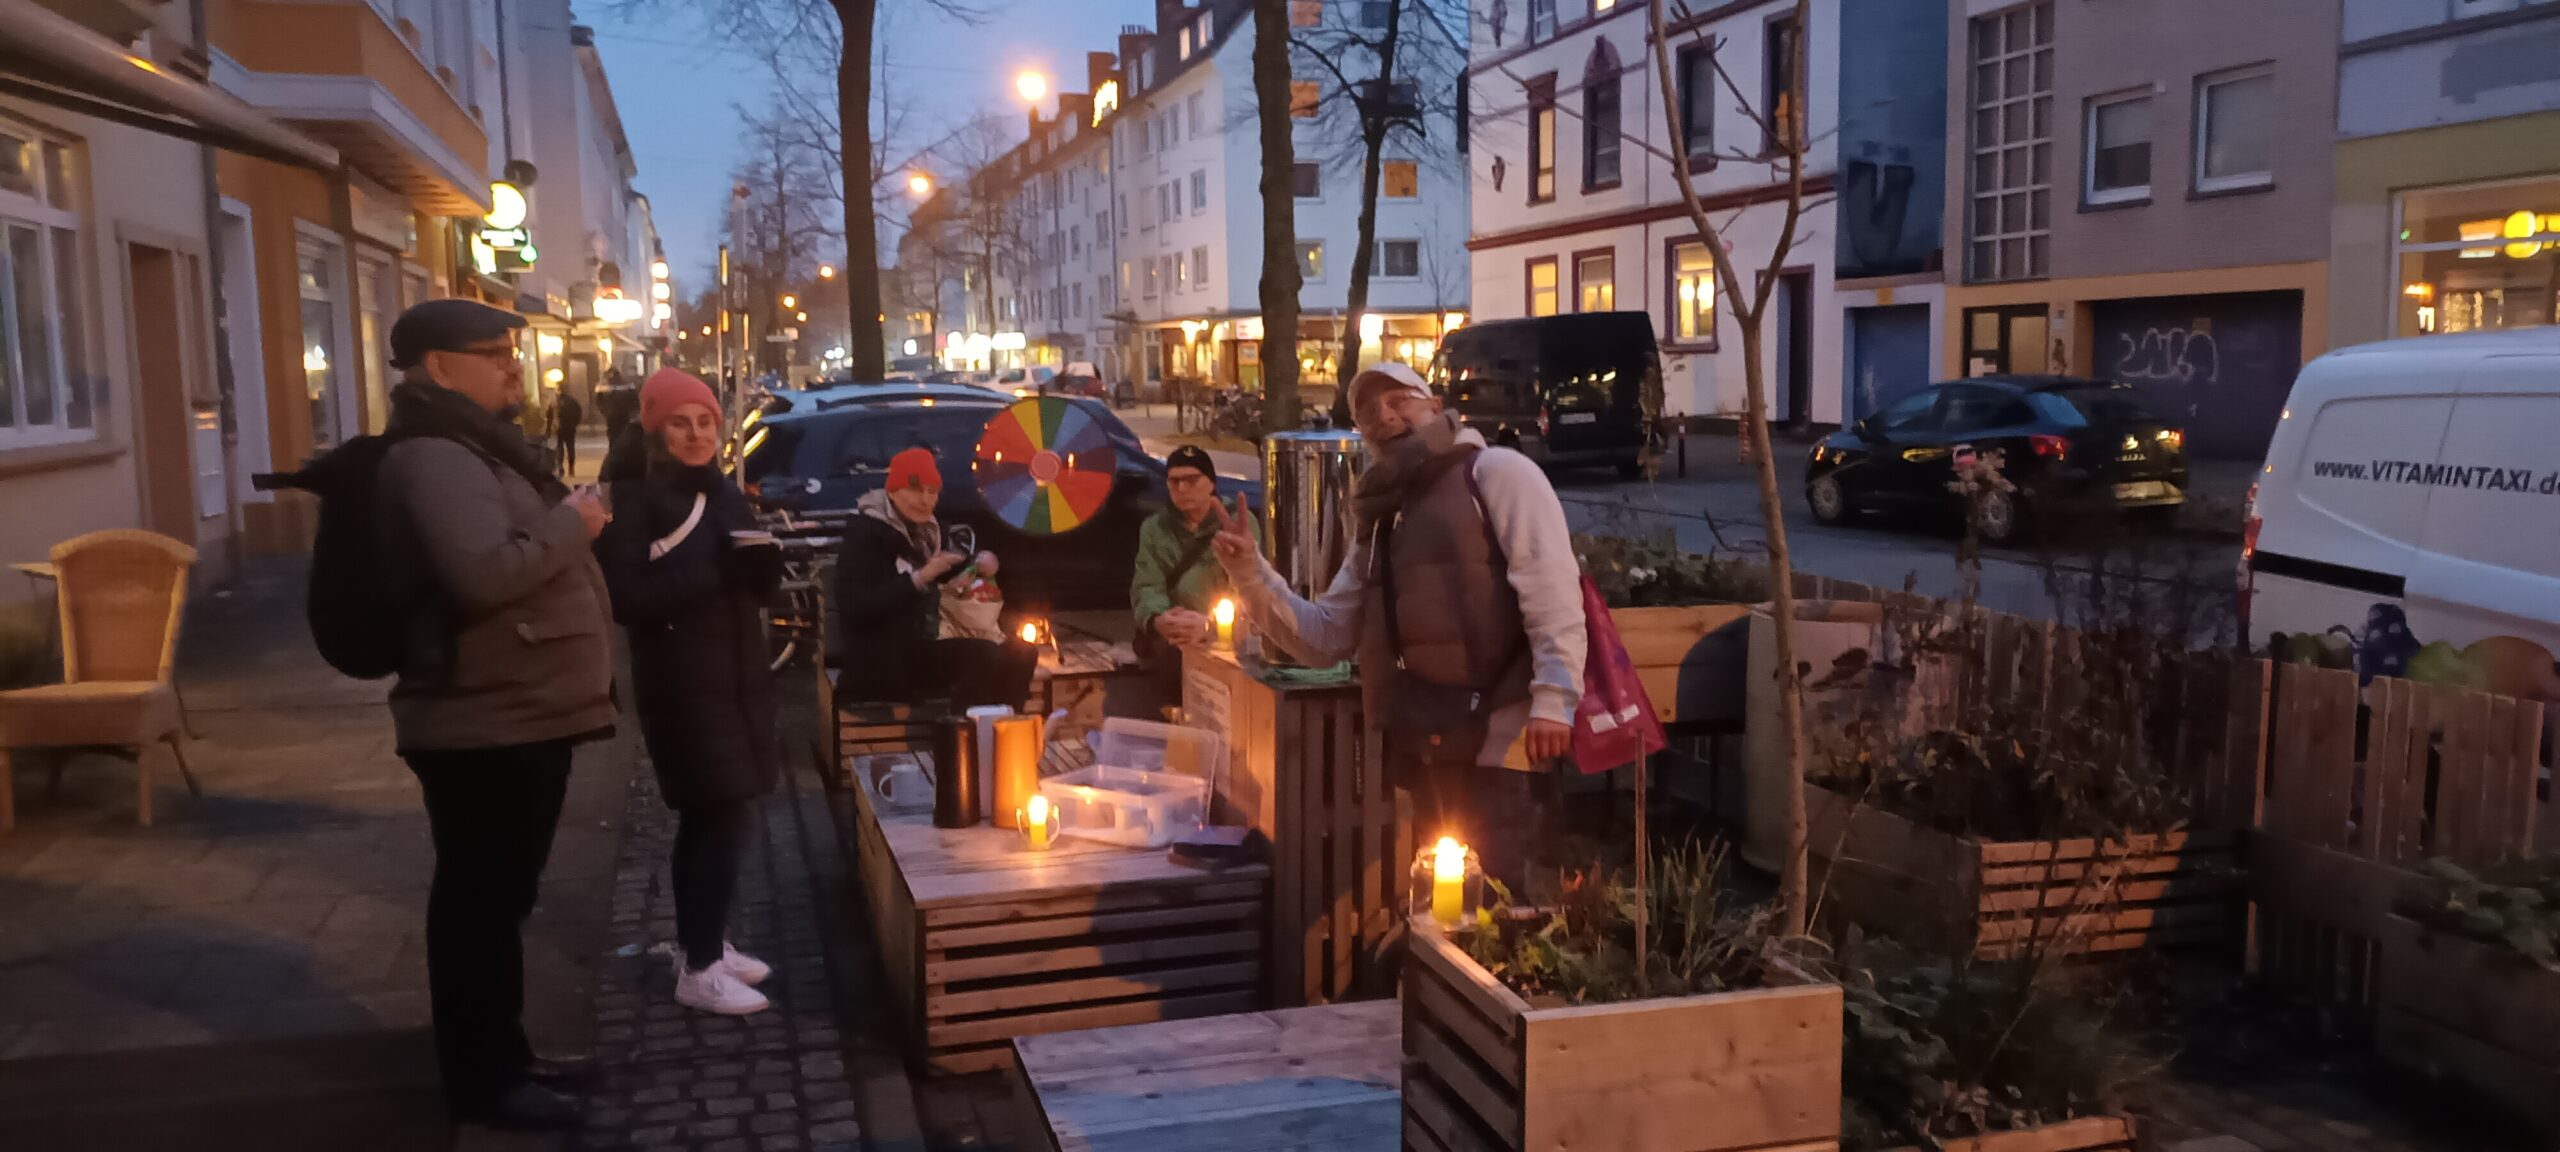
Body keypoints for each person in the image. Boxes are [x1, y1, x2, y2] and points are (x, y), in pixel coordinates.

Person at [374, 299, 616, 1131]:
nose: (514, 366)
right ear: (440, 367)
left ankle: (508, 1059)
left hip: (517, 714)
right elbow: (481, 575)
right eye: (495, 354)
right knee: (479, 908)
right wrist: (572, 524)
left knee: (499, 903)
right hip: (484, 722)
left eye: (512, 351)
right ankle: (486, 1083)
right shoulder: (437, 457)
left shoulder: (472, 444)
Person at [1210, 363, 1585, 893]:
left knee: (1512, 899)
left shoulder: (1496, 472)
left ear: (1435, 406)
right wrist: (1249, 572)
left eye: (1398, 400)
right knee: (1448, 900)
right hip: (1429, 738)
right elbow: (1325, 639)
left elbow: (1552, 589)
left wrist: (1554, 698)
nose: (1383, 416)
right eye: (1367, 412)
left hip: (1507, 739)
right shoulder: (1381, 517)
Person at [593, 368, 782, 1017]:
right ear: (655, 430)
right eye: (681, 423)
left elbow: (744, 578)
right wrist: (718, 573)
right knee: (722, 817)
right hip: (684, 685)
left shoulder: (719, 489)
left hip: (735, 679)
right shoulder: (636, 497)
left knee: (716, 818)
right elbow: (627, 599)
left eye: (705, 421)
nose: (697, 433)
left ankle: (703, 941)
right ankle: (698, 968)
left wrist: (764, 573)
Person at [833, 447, 1040, 710]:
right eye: (915, 490)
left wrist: (979, 564)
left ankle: (1005, 732)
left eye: (932, 492)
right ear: (893, 491)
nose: (925, 500)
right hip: (882, 658)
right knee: (983, 658)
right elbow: (856, 609)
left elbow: (952, 567)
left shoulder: (928, 532)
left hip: (925, 648)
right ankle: (962, 737)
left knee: (1022, 653)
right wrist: (920, 579)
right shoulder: (864, 536)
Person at [1131, 445, 1258, 696]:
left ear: (1211, 483)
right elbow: (1147, 584)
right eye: (1174, 482)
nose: (1182, 489)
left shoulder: (1236, 523)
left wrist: (1211, 626)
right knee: (1171, 661)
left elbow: (1250, 585)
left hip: (1225, 628)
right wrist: (1159, 619)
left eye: (1191, 480)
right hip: (1177, 630)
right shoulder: (1155, 528)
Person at [597, 368, 637, 448]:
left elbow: (599, 401)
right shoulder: (628, 385)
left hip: (612, 417)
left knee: (613, 437)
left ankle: (614, 452)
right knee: (623, 436)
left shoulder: (604, 386)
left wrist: (605, 412)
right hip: (624, 416)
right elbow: (634, 400)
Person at [549, 387, 584, 476]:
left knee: (560, 447)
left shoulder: (555, 402)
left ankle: (560, 466)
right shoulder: (573, 401)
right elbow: (579, 413)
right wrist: (576, 423)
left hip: (560, 428)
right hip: (570, 427)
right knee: (570, 447)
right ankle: (571, 467)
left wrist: (550, 427)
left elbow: (550, 414)